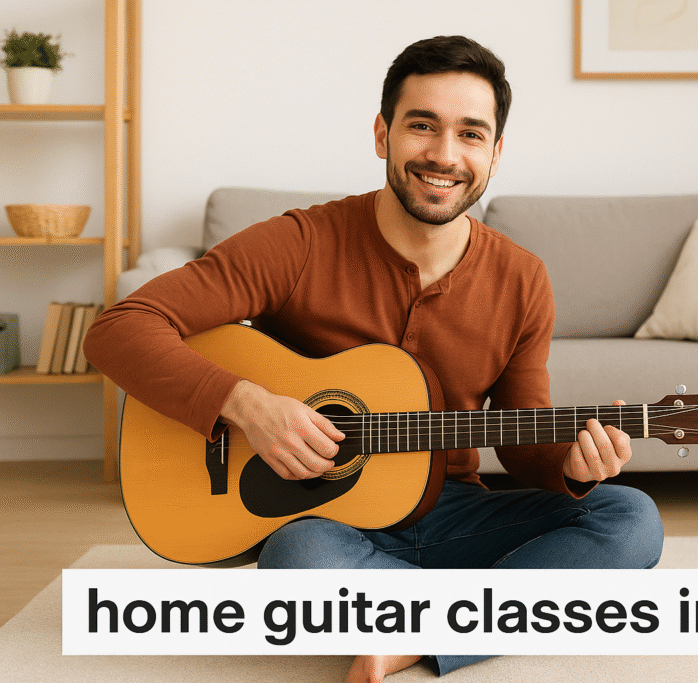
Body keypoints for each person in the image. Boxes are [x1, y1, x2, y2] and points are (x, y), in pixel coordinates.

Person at [83, 35, 664, 682]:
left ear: (495, 154)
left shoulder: (523, 278)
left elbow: (525, 444)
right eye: (423, 126)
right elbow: (120, 328)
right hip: (329, 525)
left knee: (631, 519)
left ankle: (413, 631)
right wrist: (246, 404)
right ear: (383, 133)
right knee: (295, 557)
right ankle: (483, 612)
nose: (445, 155)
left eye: (471, 134)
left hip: (457, 513)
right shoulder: (299, 242)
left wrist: (576, 464)